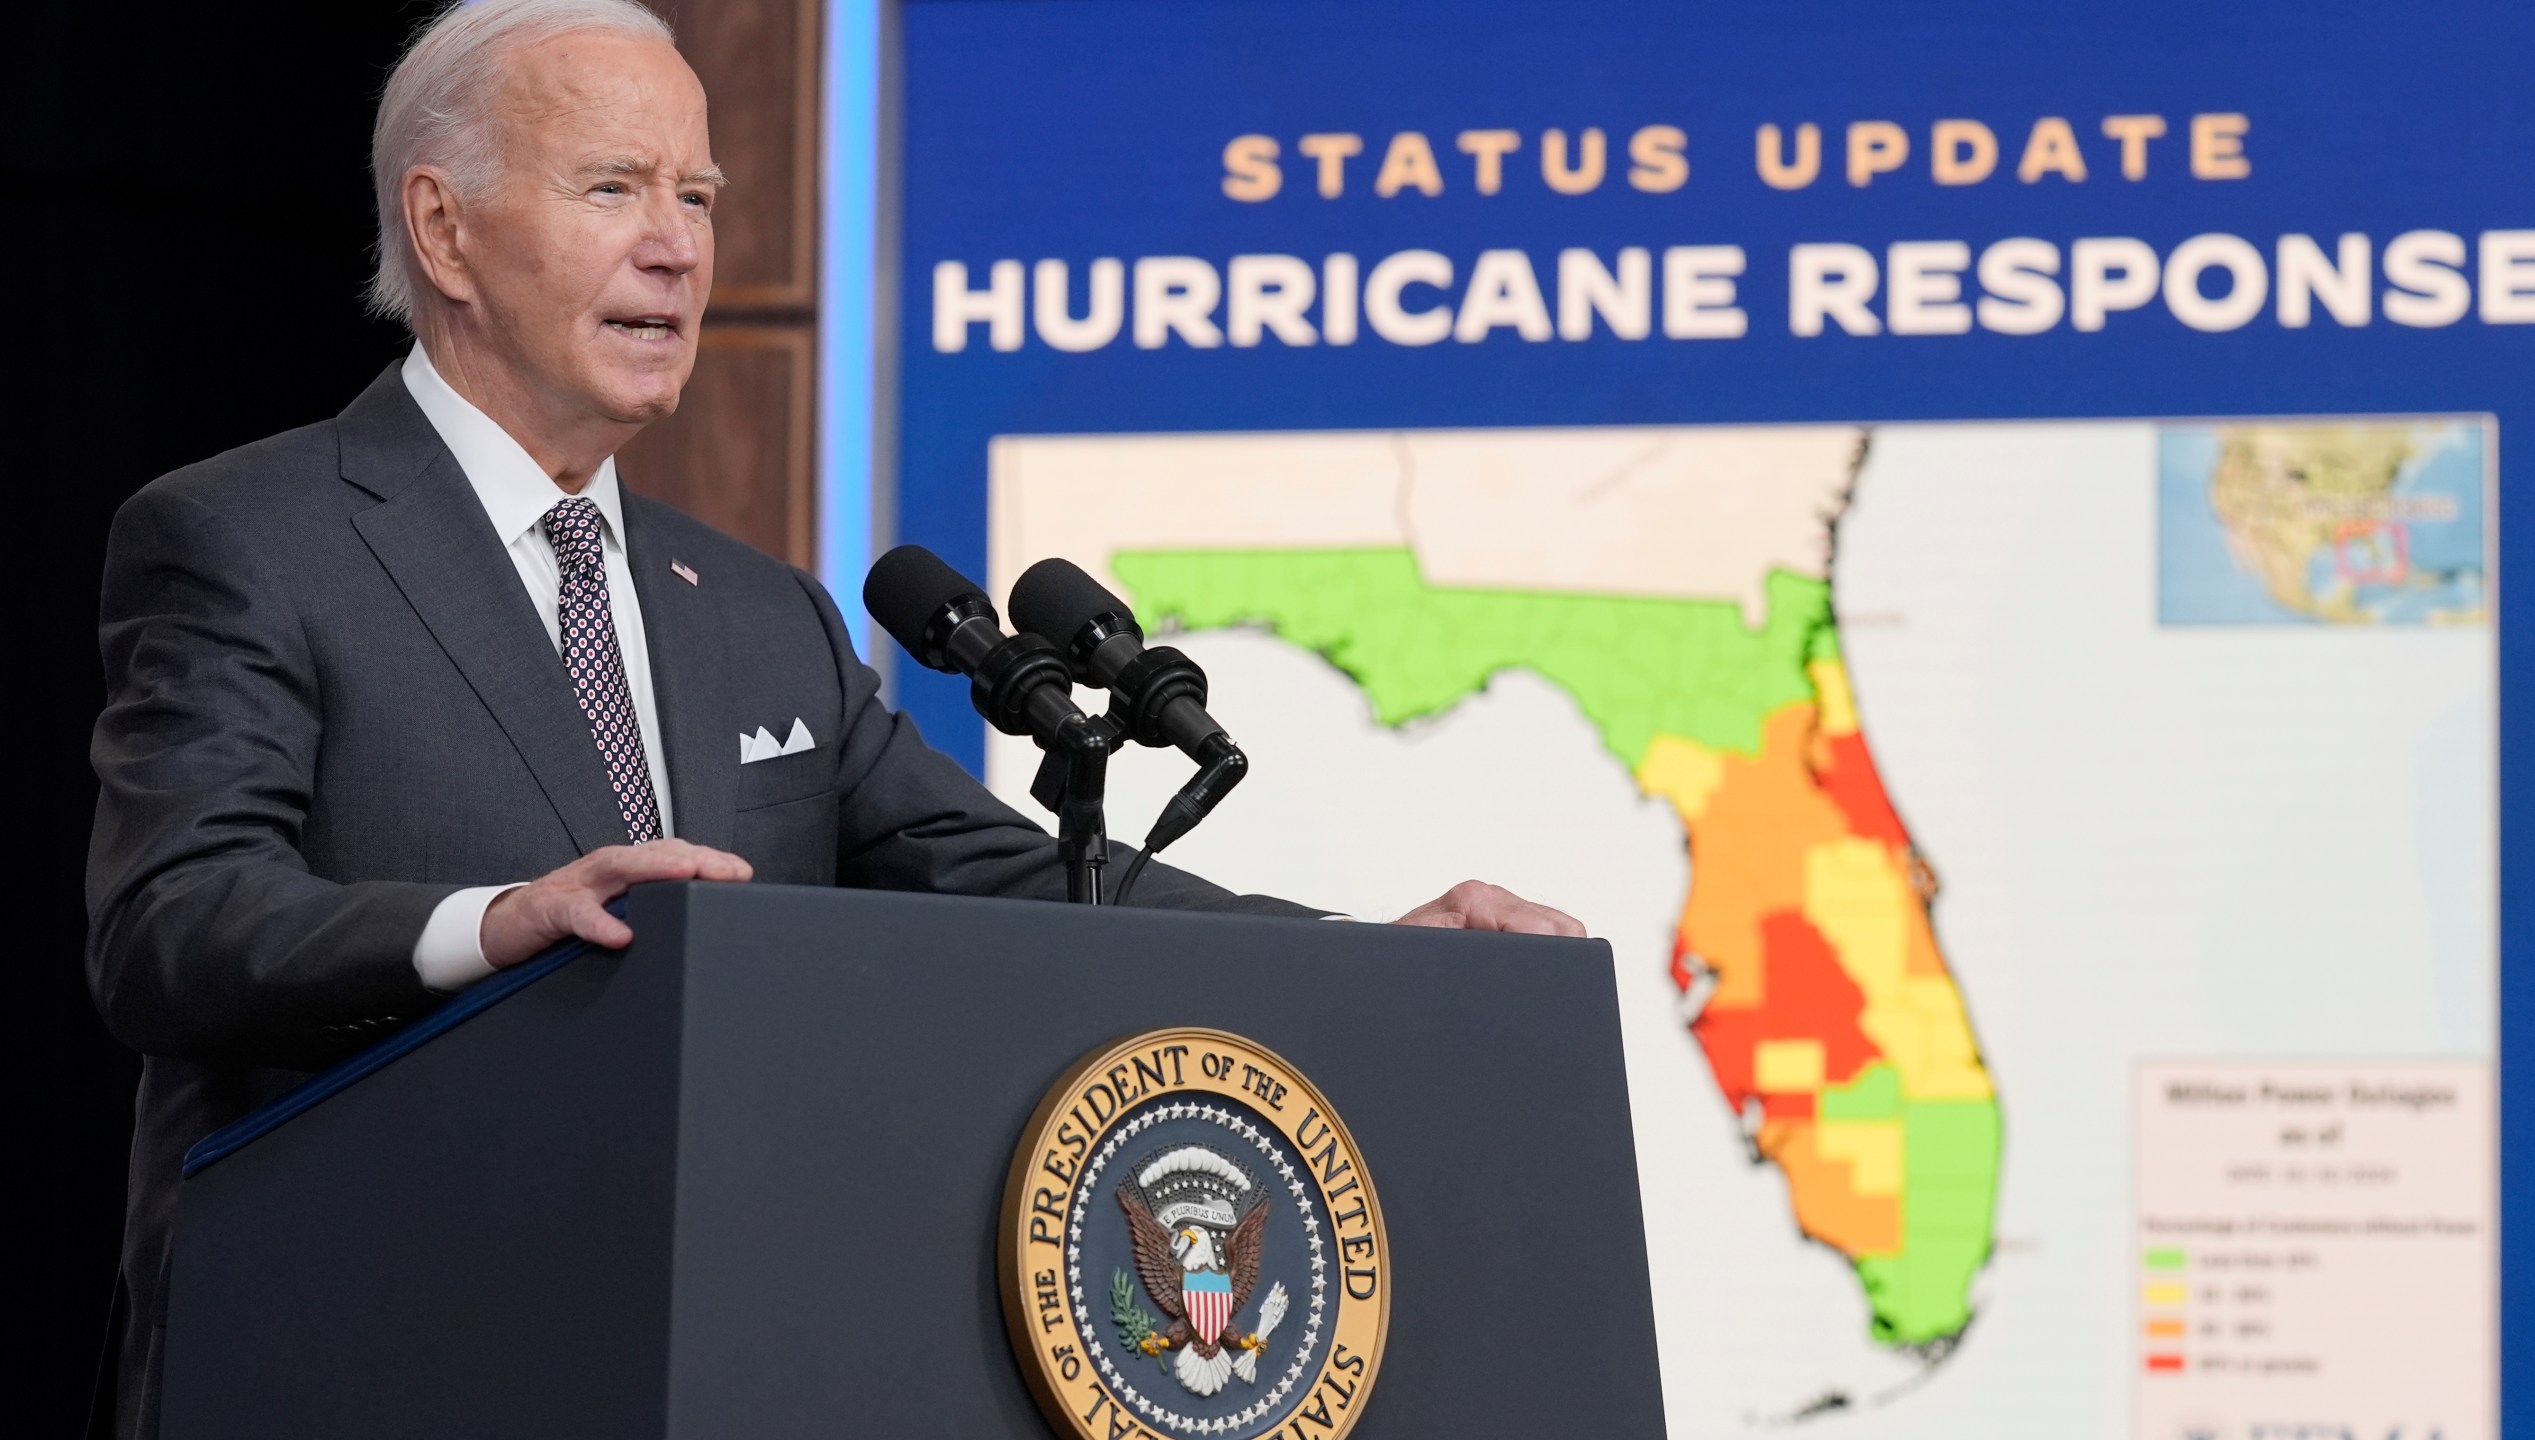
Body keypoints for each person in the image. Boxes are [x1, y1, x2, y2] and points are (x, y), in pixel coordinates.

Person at [83, 0, 1581, 1431]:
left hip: (709, 1357)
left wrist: (1372, 962)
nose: (677, 246)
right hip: (366, 1355)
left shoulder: (754, 610)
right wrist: (497, 924)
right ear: (445, 229)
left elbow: (1016, 875)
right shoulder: (251, 538)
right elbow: (172, 926)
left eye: (700, 193)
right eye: (614, 187)